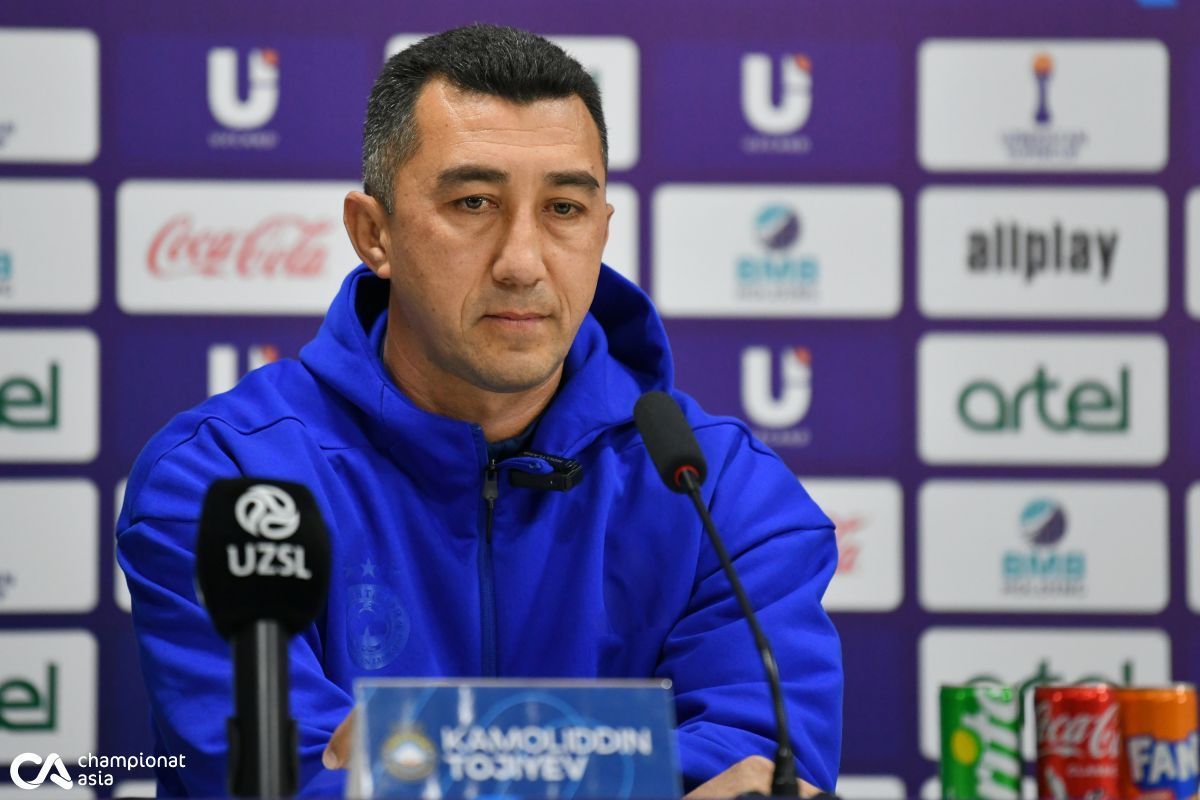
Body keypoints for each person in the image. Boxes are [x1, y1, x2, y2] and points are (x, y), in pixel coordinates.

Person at [117, 23, 842, 797]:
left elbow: (754, 767)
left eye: (564, 208)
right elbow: (278, 780)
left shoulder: (719, 489)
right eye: (473, 202)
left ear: (601, 230)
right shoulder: (227, 480)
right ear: (374, 234)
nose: (522, 262)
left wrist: (417, 768)